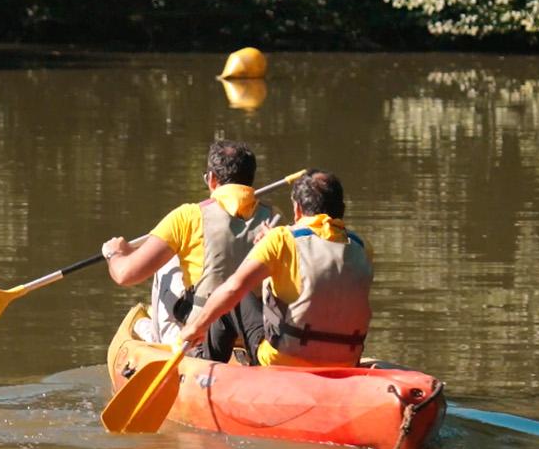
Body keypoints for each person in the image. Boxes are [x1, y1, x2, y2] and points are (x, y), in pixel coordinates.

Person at [101, 139, 274, 362]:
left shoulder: (188, 216)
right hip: (258, 334)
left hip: (202, 336)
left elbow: (125, 275)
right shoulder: (275, 219)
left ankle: (157, 336)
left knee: (166, 263)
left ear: (211, 179)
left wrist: (115, 253)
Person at [177, 169, 372, 367]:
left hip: (285, 359)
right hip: (347, 360)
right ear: (342, 209)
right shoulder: (362, 247)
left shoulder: (281, 240)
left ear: (297, 209)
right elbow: (324, 272)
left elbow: (233, 289)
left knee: (236, 296)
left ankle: (204, 364)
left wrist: (195, 327)